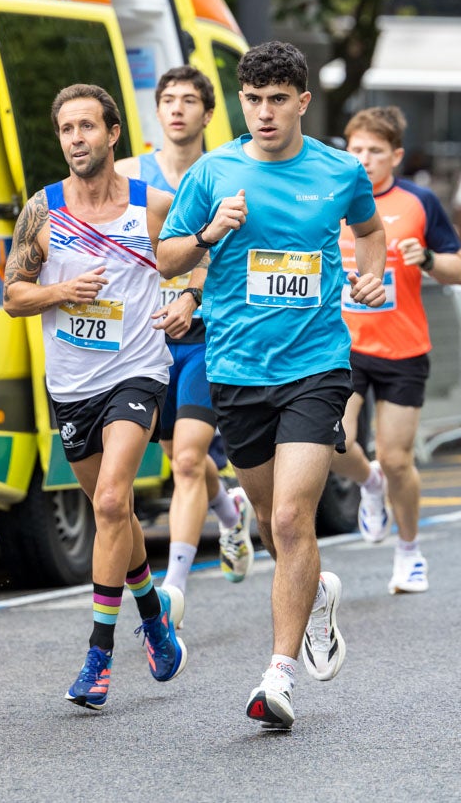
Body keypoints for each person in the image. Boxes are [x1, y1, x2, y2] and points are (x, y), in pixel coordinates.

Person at [158, 42, 387, 729]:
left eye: (277, 99)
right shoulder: (212, 171)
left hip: (315, 365)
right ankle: (315, 593)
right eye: (253, 100)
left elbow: (370, 232)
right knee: (266, 518)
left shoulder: (339, 171)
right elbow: (164, 255)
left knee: (291, 518)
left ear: (301, 103)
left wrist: (372, 275)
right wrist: (207, 232)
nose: (264, 112)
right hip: (234, 368)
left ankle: (277, 675)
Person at [3, 83, 185, 710]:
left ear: (112, 134)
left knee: (112, 499)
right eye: (66, 130)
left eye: (87, 127)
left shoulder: (154, 206)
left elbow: (198, 263)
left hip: (137, 371)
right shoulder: (43, 212)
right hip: (72, 386)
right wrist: (62, 293)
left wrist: (186, 299)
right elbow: (12, 295)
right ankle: (155, 616)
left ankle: (98, 656)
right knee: (114, 516)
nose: (76, 139)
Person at [112, 67, 254, 621]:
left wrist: (192, 296)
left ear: (208, 113)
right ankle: (230, 513)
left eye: (188, 100)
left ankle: (172, 588)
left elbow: (222, 250)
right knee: (178, 457)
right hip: (145, 337)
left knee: (191, 459)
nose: (176, 109)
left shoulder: (227, 173)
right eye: (167, 100)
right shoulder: (127, 176)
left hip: (206, 331)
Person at [329, 106, 461, 593]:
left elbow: (459, 268)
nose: (363, 159)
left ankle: (409, 552)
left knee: (396, 459)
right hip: (342, 347)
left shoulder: (418, 201)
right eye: (356, 149)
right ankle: (368, 486)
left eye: (375, 151)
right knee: (333, 443)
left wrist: (427, 257)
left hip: (403, 347)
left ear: (396, 156)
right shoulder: (329, 195)